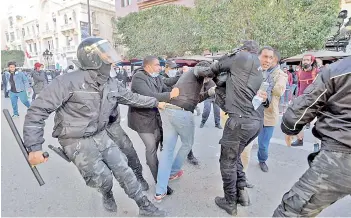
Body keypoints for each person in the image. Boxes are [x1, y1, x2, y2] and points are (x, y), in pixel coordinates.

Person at [23, 37, 166, 216]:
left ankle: (144, 206)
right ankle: (107, 193)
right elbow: (37, 111)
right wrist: (34, 147)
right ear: (93, 58)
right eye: (105, 54)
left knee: (124, 169)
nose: (110, 58)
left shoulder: (110, 82)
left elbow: (132, 98)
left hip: (101, 134)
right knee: (102, 178)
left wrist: (155, 102)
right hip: (75, 140)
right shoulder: (67, 82)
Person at [273, 56, 351, 217]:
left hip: (340, 156)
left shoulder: (338, 70)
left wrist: (290, 128)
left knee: (292, 211)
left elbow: (302, 107)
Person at [202, 40, 271, 215]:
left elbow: (215, 68)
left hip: (239, 122)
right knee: (235, 157)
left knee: (227, 162)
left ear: (243, 49)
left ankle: (230, 201)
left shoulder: (241, 57)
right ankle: (242, 193)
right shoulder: (260, 71)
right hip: (256, 122)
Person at [154, 61, 215, 201]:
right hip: (181, 113)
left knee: (167, 150)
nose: (208, 80)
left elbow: (195, 98)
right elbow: (202, 70)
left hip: (168, 110)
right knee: (187, 144)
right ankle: (174, 172)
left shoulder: (191, 79)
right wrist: (217, 70)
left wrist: (209, 92)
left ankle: (160, 191)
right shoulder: (196, 71)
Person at [128, 56, 179, 193]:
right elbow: (150, 96)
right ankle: (159, 181)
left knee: (156, 146)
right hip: (141, 119)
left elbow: (165, 84)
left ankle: (157, 169)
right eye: (157, 65)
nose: (159, 68)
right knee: (151, 148)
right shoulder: (138, 78)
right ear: (148, 66)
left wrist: (183, 77)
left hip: (154, 117)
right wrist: (170, 95)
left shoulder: (156, 77)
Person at [257, 50, 287, 173]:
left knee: (263, 144)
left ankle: (262, 160)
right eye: (266, 58)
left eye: (271, 59)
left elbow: (279, 92)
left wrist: (268, 83)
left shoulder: (280, 75)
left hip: (268, 114)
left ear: (276, 61)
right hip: (254, 112)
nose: (268, 61)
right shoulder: (260, 70)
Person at [290, 55, 320, 149]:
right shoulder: (299, 73)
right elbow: (299, 86)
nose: (305, 61)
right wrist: (296, 98)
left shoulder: (317, 72)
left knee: (317, 124)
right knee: (298, 122)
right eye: (304, 60)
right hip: (302, 101)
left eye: (307, 60)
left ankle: (316, 144)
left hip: (315, 102)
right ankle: (299, 139)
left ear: (312, 61)